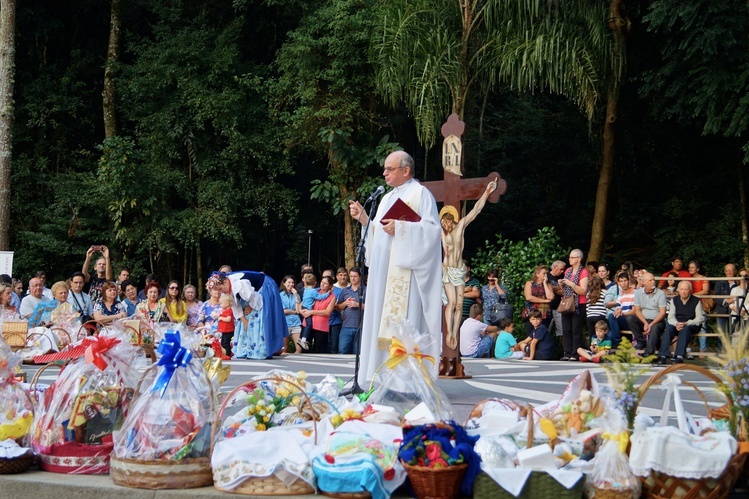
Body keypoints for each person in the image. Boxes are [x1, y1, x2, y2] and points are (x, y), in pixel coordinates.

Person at [348, 151, 442, 385]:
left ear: (405, 170)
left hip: (406, 275)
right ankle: (380, 377)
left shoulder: (421, 194)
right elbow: (379, 236)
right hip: (384, 276)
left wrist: (402, 228)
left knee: (403, 323)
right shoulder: (387, 198)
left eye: (389, 169)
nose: (384, 173)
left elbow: (432, 233)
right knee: (381, 323)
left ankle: (406, 382)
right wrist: (363, 219)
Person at [438, 179, 497, 349]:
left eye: (446, 223)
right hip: (447, 270)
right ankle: (450, 333)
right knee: (450, 303)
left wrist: (486, 192)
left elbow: (475, 210)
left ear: (451, 220)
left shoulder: (461, 227)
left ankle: (454, 331)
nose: (444, 226)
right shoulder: (442, 232)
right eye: (442, 223)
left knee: (458, 304)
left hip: (458, 270)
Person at [208, 270, 288, 358]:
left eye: (220, 288)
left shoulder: (239, 284)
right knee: (244, 321)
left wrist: (250, 306)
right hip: (251, 295)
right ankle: (245, 349)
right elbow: (236, 306)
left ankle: (259, 349)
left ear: (226, 282)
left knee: (257, 317)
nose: (221, 292)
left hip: (263, 288)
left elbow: (254, 298)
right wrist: (244, 320)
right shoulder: (229, 288)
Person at [659, 281, 705, 364]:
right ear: (678, 290)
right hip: (677, 323)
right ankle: (663, 355)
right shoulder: (674, 300)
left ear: (690, 290)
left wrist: (687, 323)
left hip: (691, 324)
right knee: (668, 329)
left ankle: (679, 356)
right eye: (682, 289)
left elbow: (699, 318)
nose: (683, 291)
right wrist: (676, 323)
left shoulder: (696, 301)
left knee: (685, 329)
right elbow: (671, 317)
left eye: (686, 289)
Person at [626, 272, 667, 354]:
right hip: (643, 320)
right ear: (644, 282)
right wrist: (645, 323)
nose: (653, 282)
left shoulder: (661, 293)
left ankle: (649, 351)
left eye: (653, 280)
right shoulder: (638, 293)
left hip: (657, 321)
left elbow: (662, 313)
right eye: (650, 280)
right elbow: (637, 310)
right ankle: (641, 341)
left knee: (655, 328)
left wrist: (651, 324)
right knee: (630, 319)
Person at [559, 249, 589, 361]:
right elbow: (565, 290)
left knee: (576, 329)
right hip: (567, 302)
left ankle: (575, 353)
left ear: (579, 259)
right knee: (566, 329)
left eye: (572, 257)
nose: (570, 259)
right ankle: (567, 352)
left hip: (578, 303)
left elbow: (583, 291)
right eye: (570, 257)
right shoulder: (568, 271)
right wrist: (562, 284)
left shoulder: (584, 272)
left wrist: (571, 284)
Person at [300, 275, 337, 353]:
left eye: (325, 283)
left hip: (321, 326)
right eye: (322, 282)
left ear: (330, 286)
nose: (322, 284)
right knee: (305, 349)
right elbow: (303, 303)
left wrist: (311, 312)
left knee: (318, 349)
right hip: (308, 323)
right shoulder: (314, 291)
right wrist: (301, 311)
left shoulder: (332, 297)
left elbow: (327, 312)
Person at [338, 267, 366, 354]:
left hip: (361, 326)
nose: (353, 278)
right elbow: (338, 307)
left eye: (355, 276)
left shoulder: (366, 290)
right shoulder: (345, 291)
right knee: (342, 350)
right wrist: (346, 303)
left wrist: (357, 305)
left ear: (360, 277)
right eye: (351, 276)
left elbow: (372, 308)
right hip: (346, 325)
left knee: (358, 352)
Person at [522, 265, 553, 335]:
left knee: (542, 335)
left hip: (545, 314)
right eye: (543, 273)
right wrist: (545, 301)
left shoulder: (548, 285)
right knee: (530, 334)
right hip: (532, 313)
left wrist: (545, 283)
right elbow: (529, 297)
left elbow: (550, 297)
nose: (546, 275)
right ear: (537, 274)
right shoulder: (529, 283)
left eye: (546, 273)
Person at [605, 271, 635, 347]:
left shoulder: (636, 293)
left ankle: (615, 342)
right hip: (624, 320)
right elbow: (618, 307)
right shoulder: (620, 295)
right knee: (612, 316)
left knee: (629, 318)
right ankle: (617, 342)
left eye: (625, 280)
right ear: (618, 283)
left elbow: (635, 312)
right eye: (621, 281)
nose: (623, 283)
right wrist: (618, 311)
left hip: (633, 320)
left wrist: (622, 313)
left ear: (629, 281)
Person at [687, 260, 710, 352]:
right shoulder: (688, 279)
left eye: (693, 267)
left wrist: (691, 296)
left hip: (700, 304)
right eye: (689, 267)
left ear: (698, 268)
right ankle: (688, 350)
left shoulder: (704, 278)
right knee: (687, 326)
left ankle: (702, 350)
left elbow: (705, 291)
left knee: (702, 327)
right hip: (689, 305)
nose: (690, 269)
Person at [279, 276, 302, 354]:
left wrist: (295, 296)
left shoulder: (296, 295)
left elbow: (298, 310)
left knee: (299, 349)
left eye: (292, 282)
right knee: (285, 349)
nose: (291, 284)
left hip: (296, 322)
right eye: (289, 282)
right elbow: (284, 311)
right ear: (284, 283)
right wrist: (295, 311)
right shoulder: (280, 295)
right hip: (285, 323)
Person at [714, 263, 739, 333]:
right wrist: (726, 301)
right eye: (727, 270)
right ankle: (722, 344)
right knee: (721, 333)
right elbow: (715, 297)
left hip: (734, 311)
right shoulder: (719, 282)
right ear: (725, 272)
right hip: (722, 311)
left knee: (734, 332)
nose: (729, 272)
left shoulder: (738, 283)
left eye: (731, 270)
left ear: (735, 271)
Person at [548, 260, 566, 337]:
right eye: (561, 269)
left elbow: (563, 292)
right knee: (546, 331)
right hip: (547, 308)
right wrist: (557, 287)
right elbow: (545, 287)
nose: (562, 271)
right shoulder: (546, 276)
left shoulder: (560, 278)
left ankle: (565, 349)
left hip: (558, 308)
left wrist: (552, 288)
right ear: (555, 267)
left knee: (562, 332)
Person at [217, 294, 236, 359]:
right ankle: (225, 353)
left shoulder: (229, 311)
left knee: (226, 343)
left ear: (227, 303)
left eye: (221, 303)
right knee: (223, 342)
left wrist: (221, 318)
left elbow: (229, 319)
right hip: (225, 330)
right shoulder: (225, 311)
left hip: (228, 330)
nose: (220, 305)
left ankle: (228, 354)